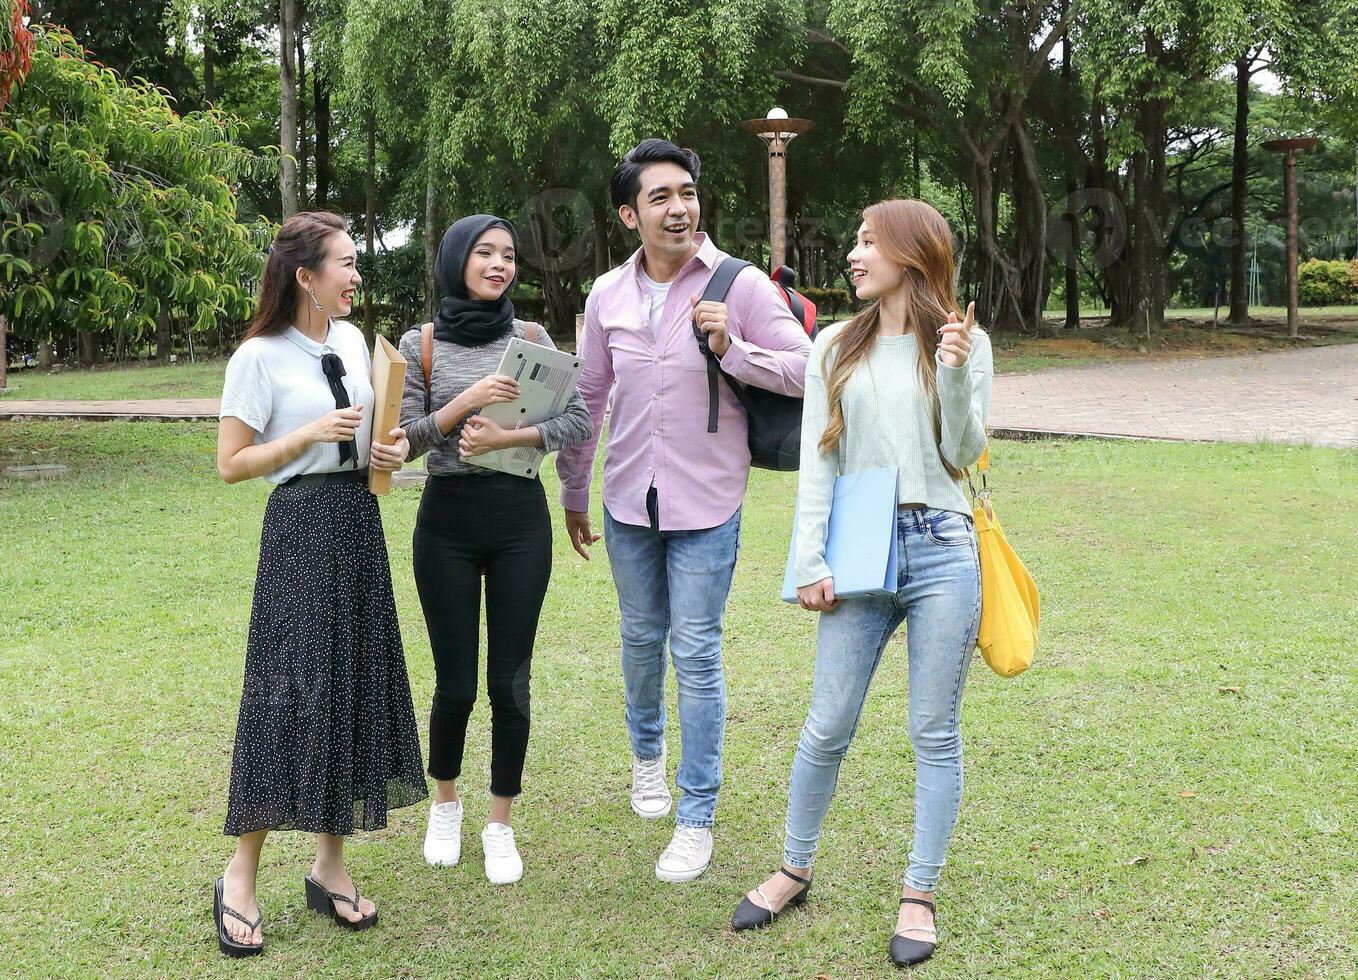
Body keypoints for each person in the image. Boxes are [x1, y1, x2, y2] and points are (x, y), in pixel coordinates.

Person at [729, 199, 992, 969]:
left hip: (944, 541)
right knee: (827, 721)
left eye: (867, 240)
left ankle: (920, 894)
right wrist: (808, 562)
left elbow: (962, 452)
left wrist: (951, 374)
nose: (853, 251)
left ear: (912, 255)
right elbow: (820, 462)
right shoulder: (833, 347)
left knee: (932, 729)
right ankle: (794, 868)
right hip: (861, 537)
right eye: (856, 236)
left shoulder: (965, 345)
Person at [555, 139, 812, 883]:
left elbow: (806, 367)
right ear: (629, 214)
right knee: (640, 639)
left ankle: (696, 816)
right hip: (628, 498)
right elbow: (589, 400)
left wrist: (732, 348)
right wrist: (574, 489)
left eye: (687, 193)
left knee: (695, 651)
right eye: (660, 197)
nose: (680, 208)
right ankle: (647, 755)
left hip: (708, 500)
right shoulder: (607, 294)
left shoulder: (742, 285)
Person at [211, 211, 428, 957]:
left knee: (351, 690)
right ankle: (240, 875)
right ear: (306, 276)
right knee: (286, 694)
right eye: (345, 264)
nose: (356, 276)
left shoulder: (351, 342)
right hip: (299, 529)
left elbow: (371, 437)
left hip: (358, 526)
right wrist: (308, 434)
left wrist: (388, 447)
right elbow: (231, 463)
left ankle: (329, 866)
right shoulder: (259, 358)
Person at [398, 214, 591, 885]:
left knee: (511, 682)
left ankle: (500, 822)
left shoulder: (534, 339)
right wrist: (468, 404)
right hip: (446, 522)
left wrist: (510, 439)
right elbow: (404, 442)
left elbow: (577, 420)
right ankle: (445, 804)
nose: (500, 264)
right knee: (455, 683)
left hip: (519, 522)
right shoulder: (419, 344)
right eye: (485, 253)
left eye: (509, 255)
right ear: (457, 260)